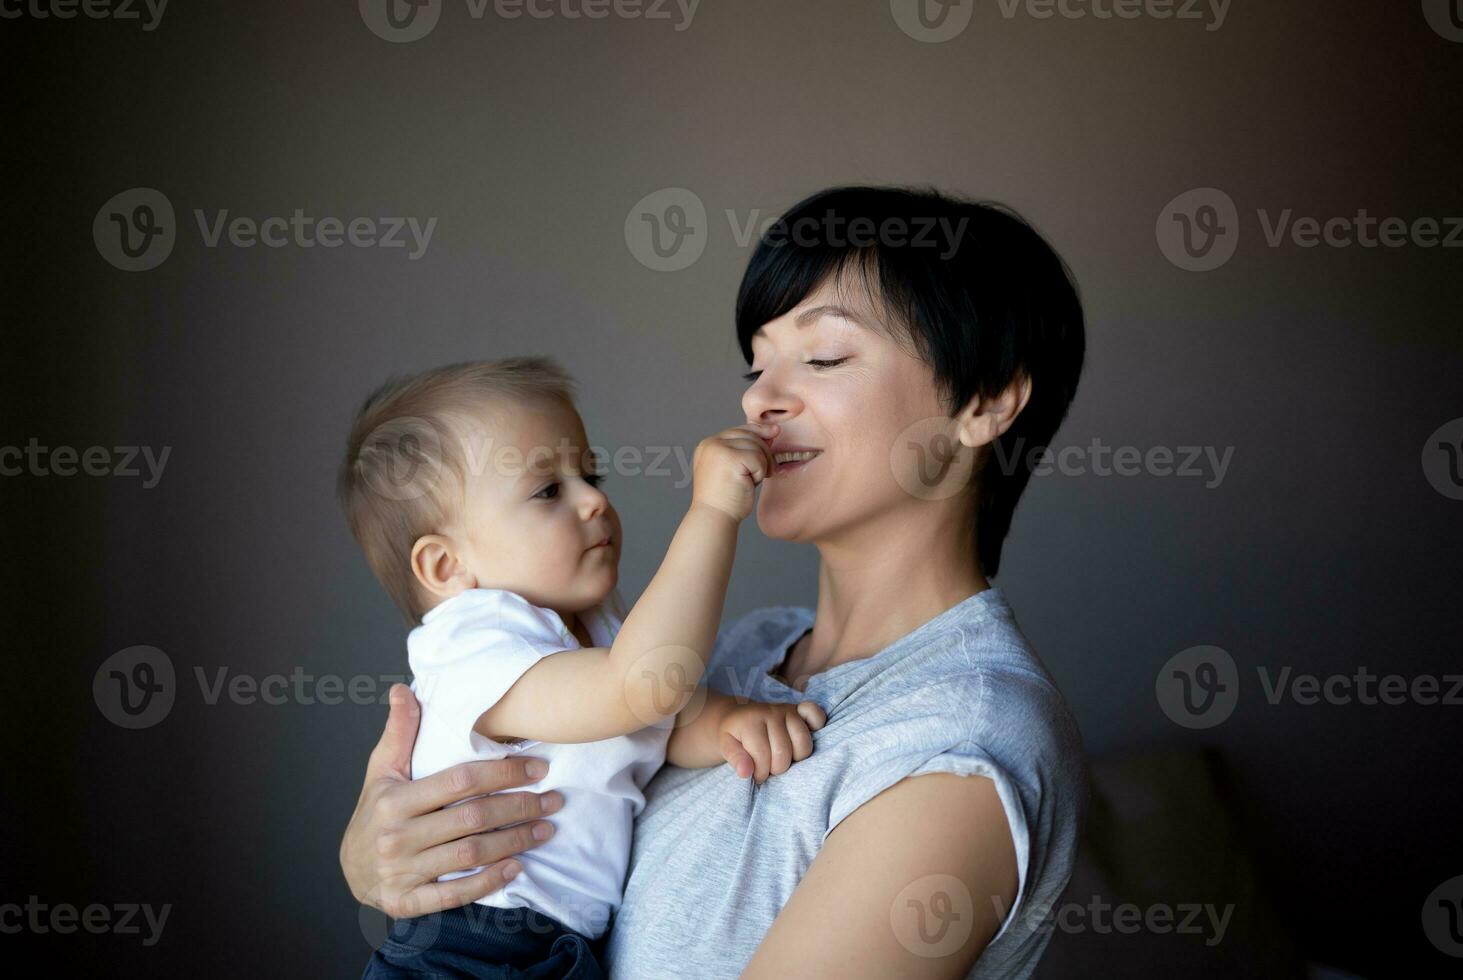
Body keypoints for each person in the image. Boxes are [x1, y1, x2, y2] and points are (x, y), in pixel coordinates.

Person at [340, 185, 1089, 978]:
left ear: (986, 399)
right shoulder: (750, 648)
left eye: (824, 356)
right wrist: (377, 855)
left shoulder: (959, 741)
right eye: (757, 363)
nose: (758, 399)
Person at [337, 358, 824, 977]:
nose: (594, 499)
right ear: (444, 567)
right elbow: (644, 689)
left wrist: (733, 722)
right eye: (548, 490)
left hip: (560, 946)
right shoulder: (472, 642)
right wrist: (712, 512)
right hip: (470, 947)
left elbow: (661, 719)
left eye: (589, 474)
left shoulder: (591, 633)